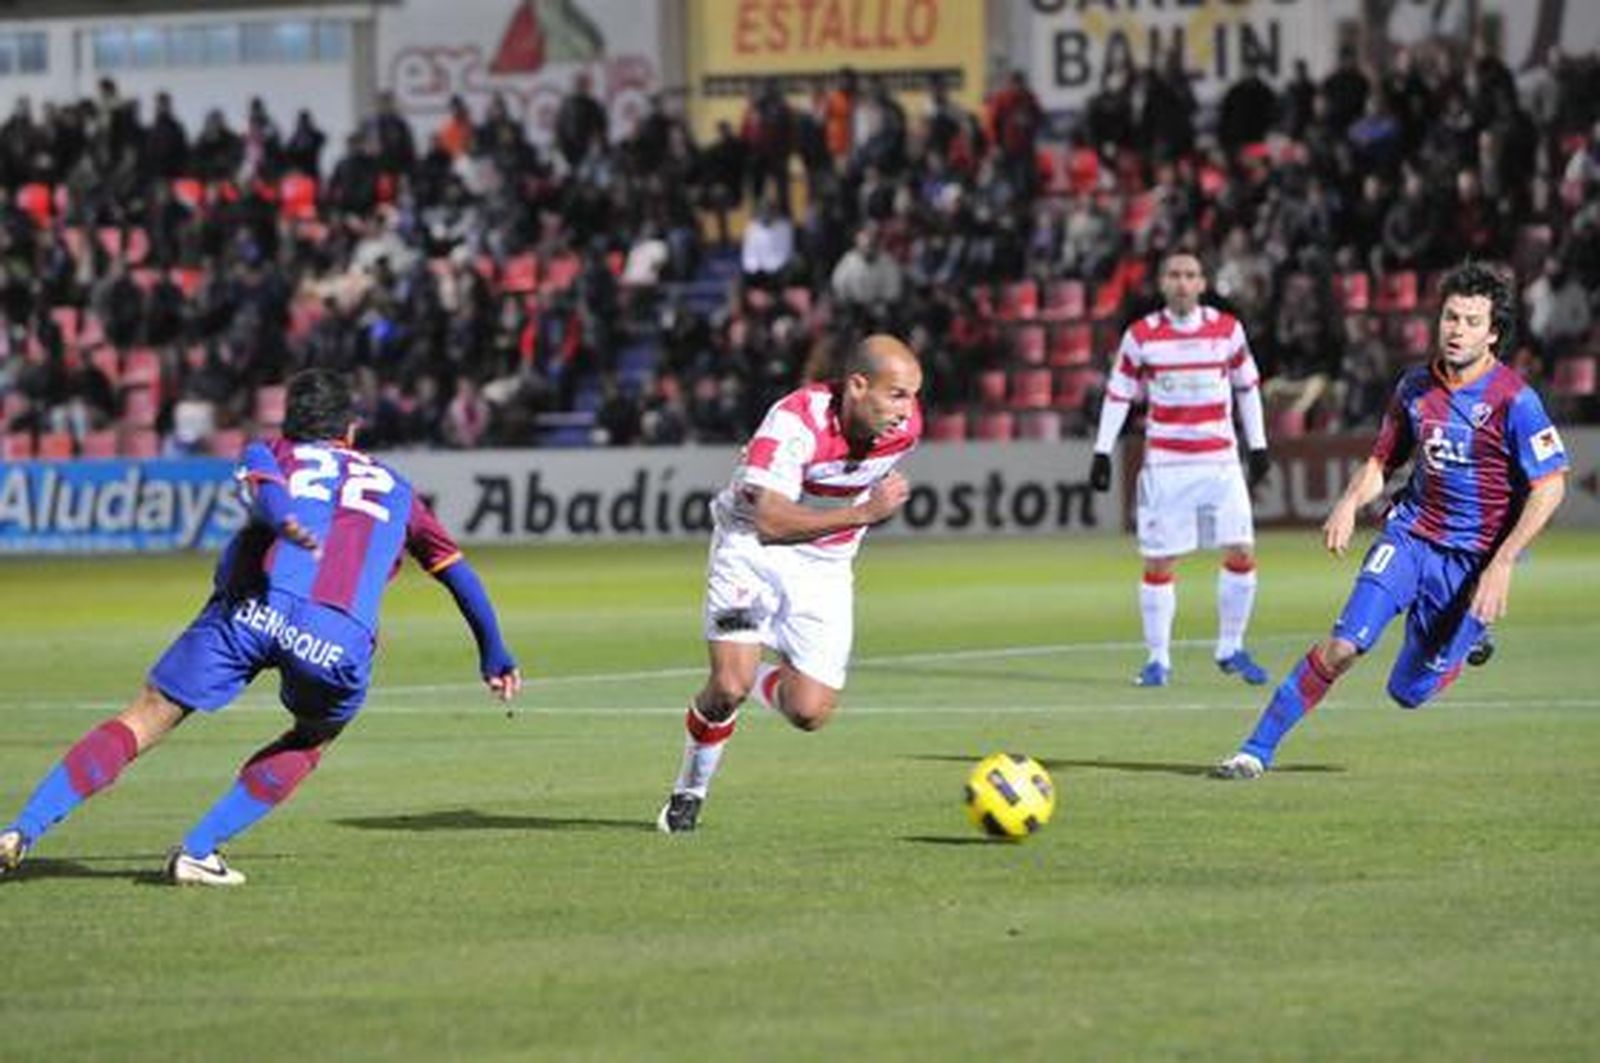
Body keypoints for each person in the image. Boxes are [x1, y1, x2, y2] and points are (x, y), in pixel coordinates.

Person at [0, 370, 522, 884]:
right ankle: (198, 851)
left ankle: (21, 830)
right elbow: (459, 574)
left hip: (250, 611)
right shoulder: (400, 490)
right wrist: (493, 652)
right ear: (351, 430)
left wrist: (279, 524)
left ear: (290, 424)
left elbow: (268, 496)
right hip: (333, 639)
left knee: (146, 716)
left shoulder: (273, 451)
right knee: (314, 735)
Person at [1213, 263, 1569, 780]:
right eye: (1450, 317)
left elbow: (1551, 485)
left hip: (1470, 562)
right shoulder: (1414, 387)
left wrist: (1503, 562)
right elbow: (1383, 462)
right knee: (1343, 646)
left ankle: (1467, 635)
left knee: (1407, 692)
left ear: (1492, 333)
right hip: (1410, 536)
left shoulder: (1515, 400)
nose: (1456, 330)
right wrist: (1348, 502)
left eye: (1471, 321)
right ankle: (1253, 752)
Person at [656, 335, 923, 833]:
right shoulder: (792, 424)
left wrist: (852, 521)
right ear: (858, 386)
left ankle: (756, 674)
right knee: (726, 689)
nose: (907, 412)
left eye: (913, 395)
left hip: (826, 564)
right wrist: (866, 512)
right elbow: (771, 525)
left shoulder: (903, 430)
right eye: (898, 395)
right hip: (750, 551)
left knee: (809, 712)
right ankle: (689, 790)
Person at [1089, 251, 1272, 687]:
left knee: (1242, 551)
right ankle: (1157, 660)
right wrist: (1101, 451)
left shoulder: (1227, 330)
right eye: (1174, 275)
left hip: (1220, 461)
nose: (1183, 282)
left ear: (1203, 282)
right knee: (1159, 561)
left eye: (1190, 275)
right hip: (1167, 465)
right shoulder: (1141, 336)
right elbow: (1118, 394)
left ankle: (1231, 647)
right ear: (1162, 283)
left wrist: (1259, 445)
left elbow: (1248, 388)